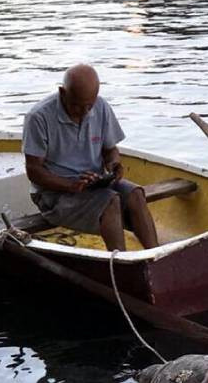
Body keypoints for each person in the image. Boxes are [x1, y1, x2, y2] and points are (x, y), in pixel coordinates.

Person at [22, 64, 159, 251]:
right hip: (54, 194)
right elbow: (34, 170)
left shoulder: (101, 107)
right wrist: (70, 185)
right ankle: (120, 263)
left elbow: (111, 150)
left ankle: (155, 254)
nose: (85, 112)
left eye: (89, 106)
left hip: (94, 183)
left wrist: (113, 165)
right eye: (77, 106)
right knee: (111, 202)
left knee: (135, 194)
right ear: (62, 93)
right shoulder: (39, 117)